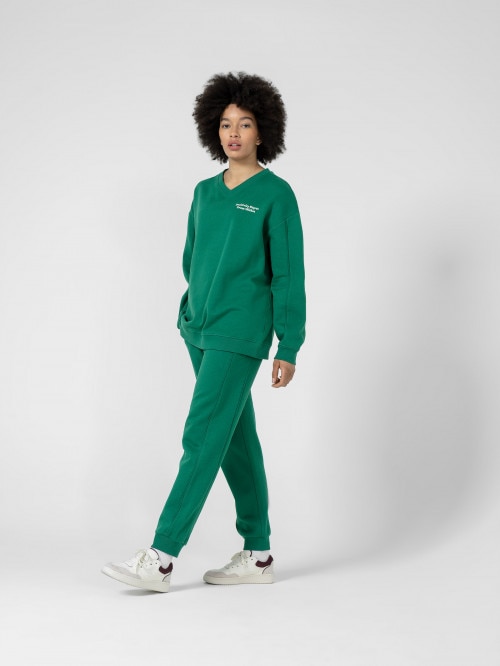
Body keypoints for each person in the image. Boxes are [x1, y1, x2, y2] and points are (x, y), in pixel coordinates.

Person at [102, 72, 306, 593]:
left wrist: (289, 343)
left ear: (263, 131)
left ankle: (161, 558)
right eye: (225, 124)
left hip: (239, 334)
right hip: (198, 330)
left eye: (245, 124)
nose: (234, 133)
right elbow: (193, 259)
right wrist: (189, 313)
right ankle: (258, 554)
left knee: (202, 437)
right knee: (235, 440)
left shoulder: (276, 195)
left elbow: (288, 275)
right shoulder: (204, 192)